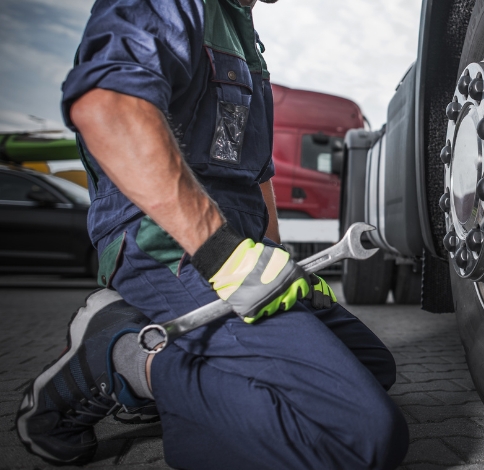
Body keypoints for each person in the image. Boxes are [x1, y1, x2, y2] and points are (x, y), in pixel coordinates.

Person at [15, 0, 409, 468]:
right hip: (167, 243)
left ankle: (181, 368)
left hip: (236, 245)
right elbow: (108, 105)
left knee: (372, 367)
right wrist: (221, 255)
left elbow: (256, 175)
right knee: (363, 437)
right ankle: (126, 358)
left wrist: (275, 260)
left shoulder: (243, 31)